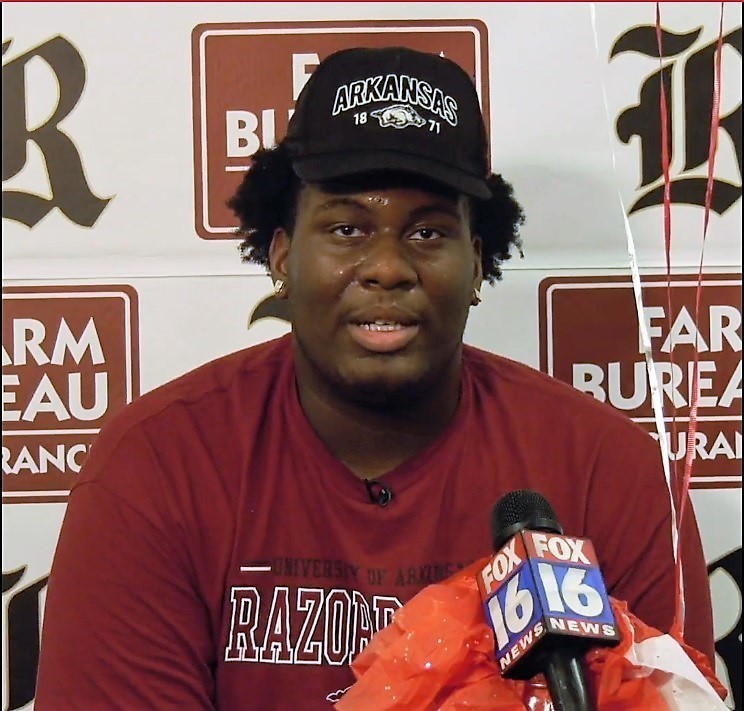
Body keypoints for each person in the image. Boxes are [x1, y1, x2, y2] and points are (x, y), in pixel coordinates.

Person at [35, 46, 714, 710]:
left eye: (427, 234)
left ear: (478, 263)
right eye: (346, 229)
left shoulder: (609, 473)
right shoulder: (158, 465)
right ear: (282, 256)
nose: (387, 267)